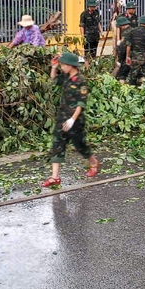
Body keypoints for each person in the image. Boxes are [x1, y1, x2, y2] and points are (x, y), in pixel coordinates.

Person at [42, 52, 99, 188]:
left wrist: (72, 119)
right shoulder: (66, 77)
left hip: (75, 120)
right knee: (57, 143)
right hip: (62, 116)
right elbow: (54, 80)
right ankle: (54, 177)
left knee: (80, 145)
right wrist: (54, 67)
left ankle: (93, 163)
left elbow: (81, 103)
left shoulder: (81, 81)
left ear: (70, 65)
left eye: (63, 64)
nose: (62, 67)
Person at [122, 15, 145, 86]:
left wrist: (127, 57)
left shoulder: (132, 32)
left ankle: (130, 89)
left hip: (135, 57)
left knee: (132, 75)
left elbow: (128, 45)